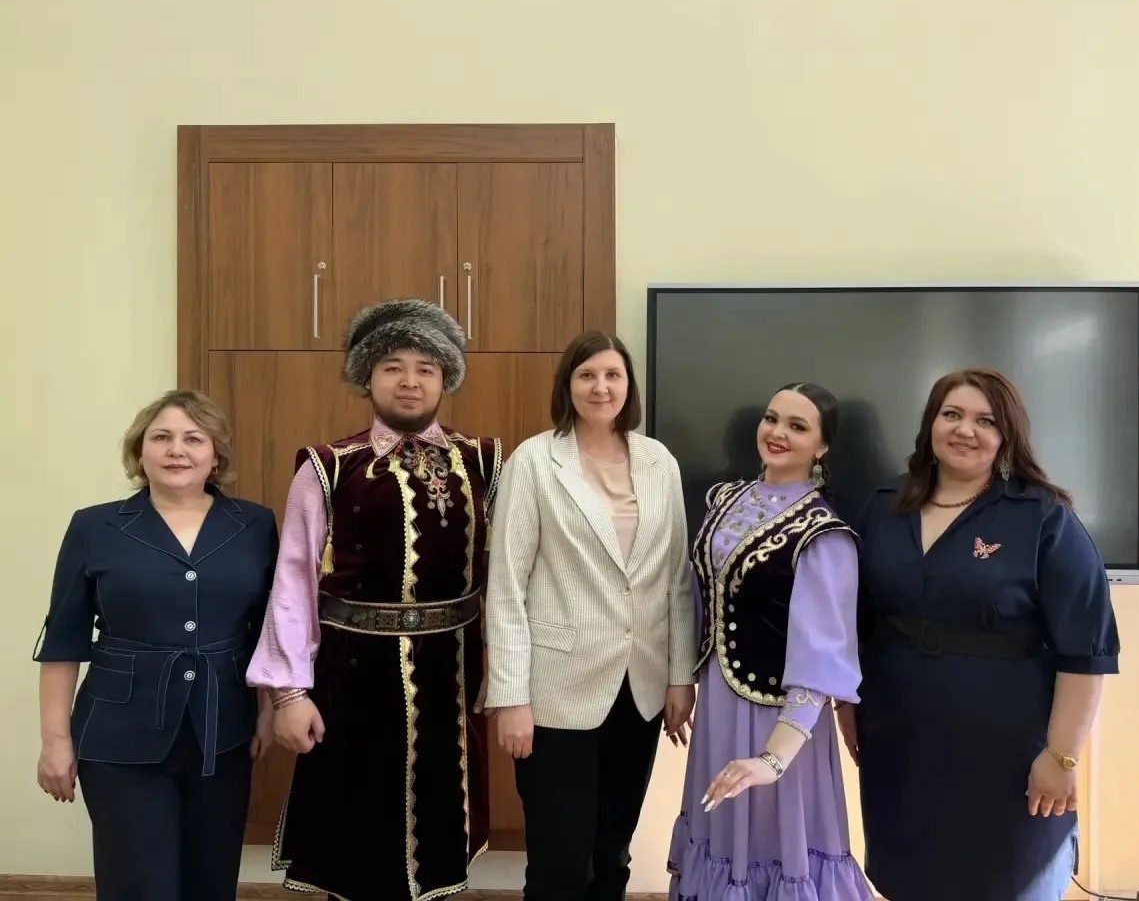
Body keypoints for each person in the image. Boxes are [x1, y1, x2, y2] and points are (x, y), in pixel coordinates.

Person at [245, 298, 504, 901]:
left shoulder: (485, 461)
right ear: (368, 376)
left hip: (452, 676)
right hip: (352, 678)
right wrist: (289, 694)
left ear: (445, 379)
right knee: (356, 835)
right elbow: (293, 582)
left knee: (440, 831)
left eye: (425, 368)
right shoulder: (329, 466)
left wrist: (506, 671)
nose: (410, 381)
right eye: (393, 366)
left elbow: (509, 576)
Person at [844, 367, 1121, 901]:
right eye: (951, 414)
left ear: (1007, 434)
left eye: (985, 420)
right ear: (931, 423)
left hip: (1006, 752)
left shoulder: (1043, 517)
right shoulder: (882, 506)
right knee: (908, 876)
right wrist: (845, 703)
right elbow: (856, 618)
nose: (964, 429)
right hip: (898, 741)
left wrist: (1062, 756)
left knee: (1008, 879)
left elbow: (1086, 652)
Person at [33, 389, 278, 901]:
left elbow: (269, 631)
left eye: (194, 439)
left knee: (211, 881)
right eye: (161, 437)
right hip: (117, 736)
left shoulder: (255, 525)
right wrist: (55, 740)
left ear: (216, 455)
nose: (176, 450)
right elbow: (64, 641)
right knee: (139, 885)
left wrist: (268, 712)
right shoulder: (94, 526)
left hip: (223, 732)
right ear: (139, 452)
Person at [484, 330, 697, 901]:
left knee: (611, 854)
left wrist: (681, 676)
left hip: (641, 689)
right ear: (568, 385)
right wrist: (511, 697)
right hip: (555, 693)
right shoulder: (534, 460)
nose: (601, 387)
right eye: (587, 375)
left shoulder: (658, 461)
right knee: (560, 863)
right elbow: (506, 588)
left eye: (613, 375)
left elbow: (676, 578)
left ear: (628, 386)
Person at [668, 382, 876, 901]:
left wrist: (773, 760)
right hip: (719, 701)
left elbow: (823, 658)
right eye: (772, 418)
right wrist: (680, 678)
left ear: (822, 446)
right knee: (721, 825)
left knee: (771, 838)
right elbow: (696, 595)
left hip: (778, 716)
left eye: (797, 426)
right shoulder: (724, 498)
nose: (777, 432)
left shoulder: (824, 533)